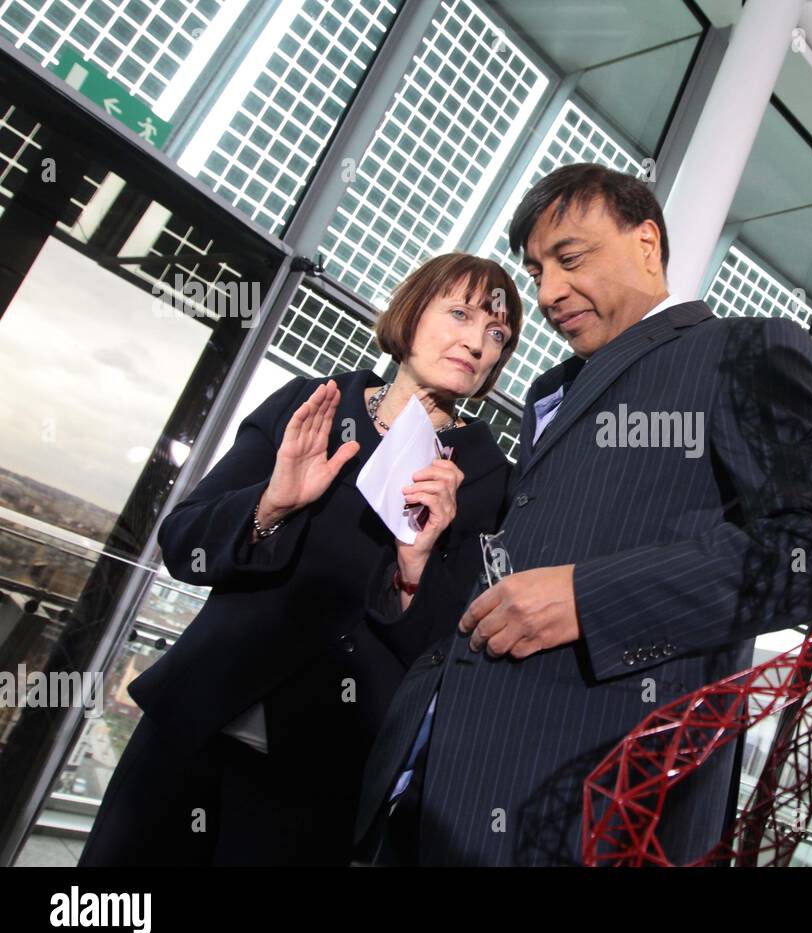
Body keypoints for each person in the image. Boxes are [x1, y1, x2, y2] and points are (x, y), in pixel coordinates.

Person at [353, 164, 812, 866]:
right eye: (535, 270)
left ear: (647, 243)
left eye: (570, 258)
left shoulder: (744, 352)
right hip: (432, 783)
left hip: (580, 810)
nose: (547, 292)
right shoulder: (550, 390)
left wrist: (589, 599)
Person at [78, 252, 521, 865]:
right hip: (192, 727)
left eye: (497, 333)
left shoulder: (488, 479)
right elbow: (184, 543)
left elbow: (453, 653)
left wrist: (416, 566)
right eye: (460, 313)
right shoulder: (315, 404)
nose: (476, 341)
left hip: (318, 779)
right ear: (412, 311)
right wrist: (272, 503)